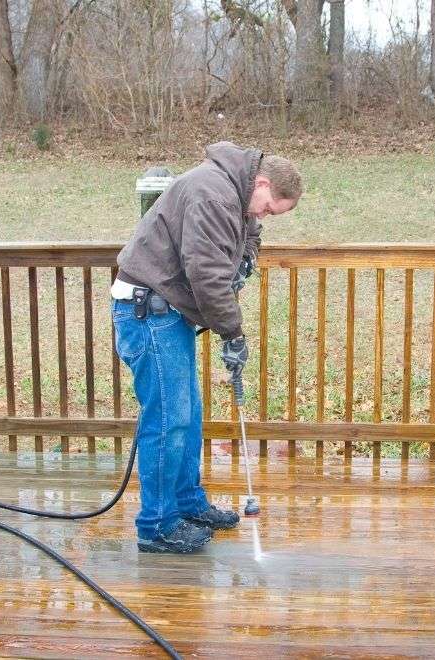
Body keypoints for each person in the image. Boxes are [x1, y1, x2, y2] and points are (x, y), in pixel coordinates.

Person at [111, 141, 303, 553]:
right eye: (269, 207)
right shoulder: (212, 192)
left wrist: (246, 259)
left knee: (187, 416)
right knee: (167, 421)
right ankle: (158, 526)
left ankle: (185, 504)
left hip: (168, 313)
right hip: (148, 314)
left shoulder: (235, 193)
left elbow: (247, 237)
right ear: (263, 182)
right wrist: (233, 334)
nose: (264, 215)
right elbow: (206, 273)